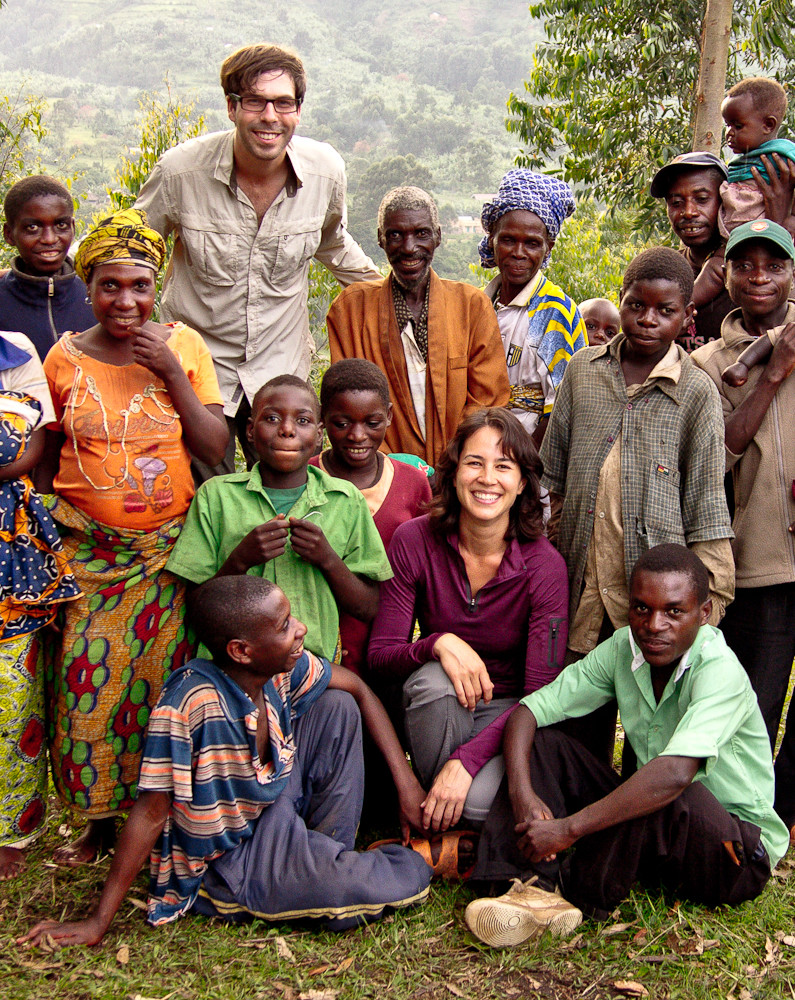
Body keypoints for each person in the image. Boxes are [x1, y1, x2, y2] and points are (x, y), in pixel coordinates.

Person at [19, 575, 431, 947]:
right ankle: (378, 866)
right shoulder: (190, 706)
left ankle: (319, 856)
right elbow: (149, 813)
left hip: (273, 806)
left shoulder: (278, 669)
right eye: (285, 625)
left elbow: (357, 687)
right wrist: (97, 921)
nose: (300, 629)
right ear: (241, 650)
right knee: (381, 884)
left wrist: (406, 781)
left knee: (337, 705)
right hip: (228, 857)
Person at [463, 545, 789, 948]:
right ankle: (523, 885)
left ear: (703, 614)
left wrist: (568, 828)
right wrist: (523, 794)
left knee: (665, 789)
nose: (654, 625)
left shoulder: (719, 669)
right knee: (548, 744)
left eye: (673, 611)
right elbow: (528, 712)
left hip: (735, 852)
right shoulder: (623, 649)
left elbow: (674, 775)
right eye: (640, 609)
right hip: (661, 834)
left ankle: (572, 892)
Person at [35, 208, 228, 866]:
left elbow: (216, 447)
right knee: (86, 686)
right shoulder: (63, 357)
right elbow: (45, 449)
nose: (126, 300)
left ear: (157, 289)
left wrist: (170, 373)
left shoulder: (184, 346)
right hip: (89, 555)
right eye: (111, 285)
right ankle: (95, 823)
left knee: (157, 691)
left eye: (139, 287)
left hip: (167, 555)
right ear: (88, 286)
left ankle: (156, 821)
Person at [135, 44, 380, 477]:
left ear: (298, 110)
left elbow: (333, 243)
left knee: (288, 496)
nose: (270, 116)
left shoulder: (325, 172)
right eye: (255, 101)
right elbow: (131, 251)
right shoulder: (180, 173)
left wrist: (397, 293)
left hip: (281, 368)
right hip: (198, 373)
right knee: (205, 496)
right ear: (232, 107)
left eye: (283, 103)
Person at [539, 247, 735, 760]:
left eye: (665, 310)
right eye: (636, 305)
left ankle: (636, 827)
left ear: (686, 314)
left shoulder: (696, 392)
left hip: (654, 600)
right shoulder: (583, 372)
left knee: (652, 725)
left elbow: (706, 504)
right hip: (583, 581)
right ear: (621, 301)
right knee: (580, 714)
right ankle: (575, 817)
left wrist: (707, 605)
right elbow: (554, 477)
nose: (648, 320)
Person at [368, 408, 569, 836]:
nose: (487, 478)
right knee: (433, 681)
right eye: (474, 462)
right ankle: (445, 804)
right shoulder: (414, 540)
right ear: (454, 472)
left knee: (481, 803)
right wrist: (436, 642)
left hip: (509, 718)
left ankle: (446, 808)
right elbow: (381, 658)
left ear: (522, 484)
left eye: (504, 466)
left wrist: (467, 761)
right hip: (439, 714)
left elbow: (541, 697)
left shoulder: (544, 566)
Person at [166, 374, 393, 663]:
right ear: (250, 430)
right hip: (231, 669)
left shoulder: (344, 500)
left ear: (319, 434)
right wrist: (241, 559)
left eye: (303, 420)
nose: (287, 430)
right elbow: (195, 607)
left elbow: (370, 607)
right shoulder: (216, 497)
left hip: (315, 669)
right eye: (272, 419)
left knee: (341, 706)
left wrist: (328, 559)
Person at [691, 218, 795, 838]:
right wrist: (774, 372)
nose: (759, 277)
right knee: (757, 691)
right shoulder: (707, 366)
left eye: (774, 265)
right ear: (726, 275)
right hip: (758, 551)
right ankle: (747, 808)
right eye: (745, 265)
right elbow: (718, 453)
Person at [326, 186, 510, 466]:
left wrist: (451, 468)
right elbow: (346, 404)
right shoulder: (351, 310)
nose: (409, 247)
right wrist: (397, 473)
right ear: (380, 239)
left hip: (459, 473)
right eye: (396, 235)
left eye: (421, 233)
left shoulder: (471, 306)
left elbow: (488, 402)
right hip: (381, 477)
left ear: (437, 236)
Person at [0, 332, 81, 879]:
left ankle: (11, 829)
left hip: (10, 546)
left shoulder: (16, 350)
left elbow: (21, 451)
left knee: (13, 695)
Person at [308, 359, 431, 675]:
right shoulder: (304, 476)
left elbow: (428, 564)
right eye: (342, 423)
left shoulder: (412, 483)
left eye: (372, 423)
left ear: (389, 415)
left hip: (392, 645)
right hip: (317, 648)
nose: (357, 435)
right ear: (323, 418)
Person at [479, 170, 587, 446]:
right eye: (508, 240)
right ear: (492, 238)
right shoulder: (479, 304)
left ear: (548, 248)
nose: (518, 252)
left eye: (532, 243)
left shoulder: (553, 312)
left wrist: (523, 466)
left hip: (528, 462)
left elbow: (563, 410)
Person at [651, 150, 795, 352]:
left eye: (702, 199)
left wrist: (775, 227)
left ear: (727, 201)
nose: (688, 212)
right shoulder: (660, 271)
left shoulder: (759, 277)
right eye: (676, 202)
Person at [691, 78, 795, 310]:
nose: (729, 134)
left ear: (768, 125)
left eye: (738, 126)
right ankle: (684, 308)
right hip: (732, 239)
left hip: (771, 235)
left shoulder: (781, 157)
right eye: (727, 125)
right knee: (712, 270)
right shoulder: (741, 162)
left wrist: (784, 222)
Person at [1, 175, 95, 361]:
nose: (50, 239)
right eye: (33, 227)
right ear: (9, 234)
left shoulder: (96, 299)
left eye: (61, 225)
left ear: (73, 227)